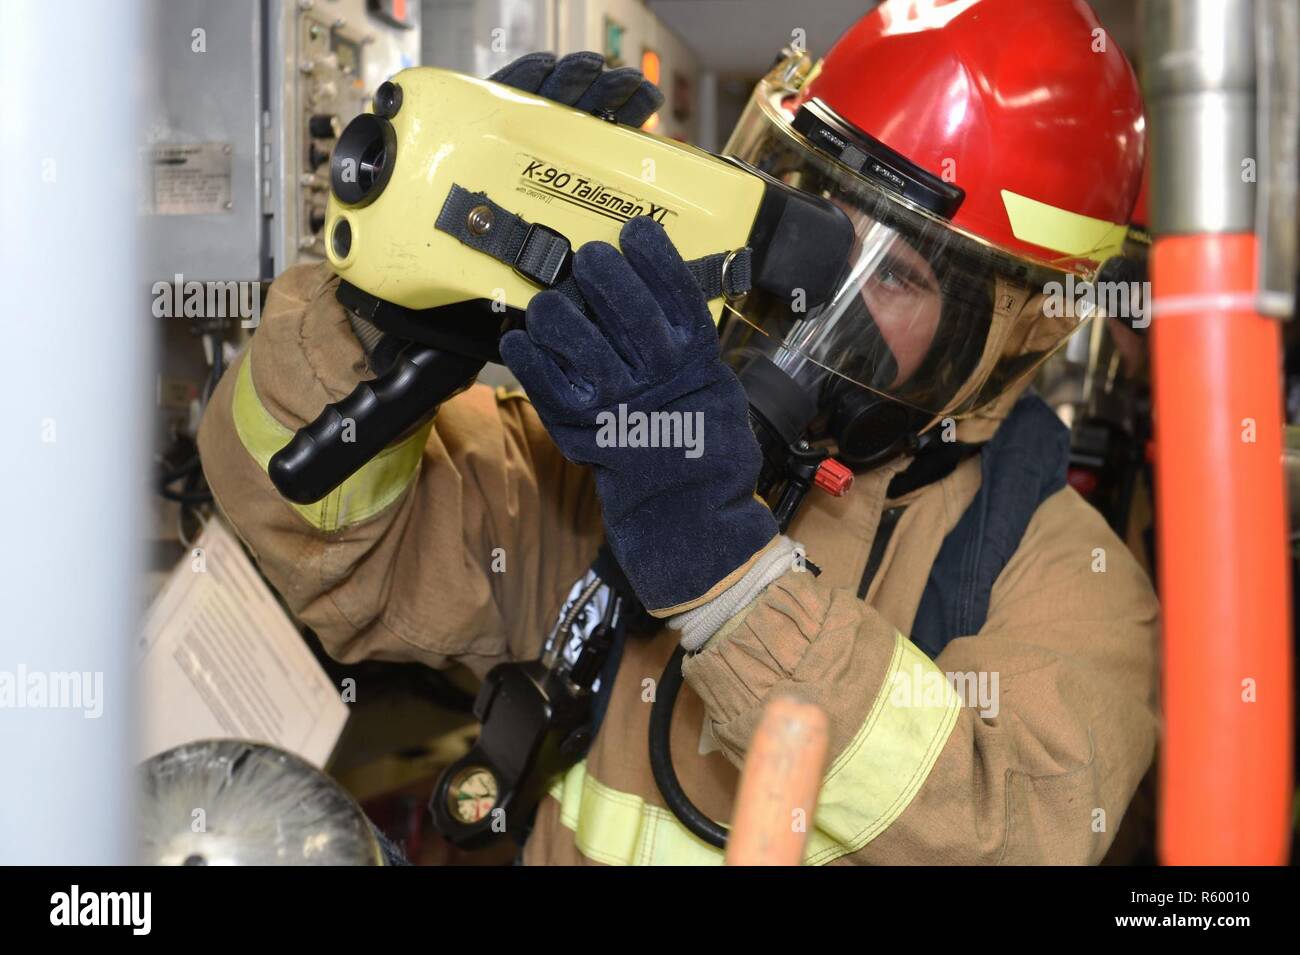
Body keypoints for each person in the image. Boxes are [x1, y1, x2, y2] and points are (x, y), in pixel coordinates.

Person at [198, 0, 1158, 864]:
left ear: (1018, 331)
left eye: (900, 275)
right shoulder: (611, 453)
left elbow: (1018, 823)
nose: (821, 299)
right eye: (817, 225)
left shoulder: (1065, 579)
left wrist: (725, 570)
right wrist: (385, 312)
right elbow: (321, 548)